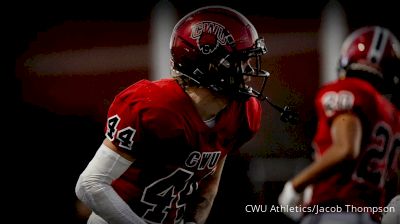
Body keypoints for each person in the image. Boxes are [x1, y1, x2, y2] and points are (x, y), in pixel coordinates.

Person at [75, 5, 271, 224]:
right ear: (208, 65)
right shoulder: (157, 106)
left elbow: (207, 189)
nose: (249, 72)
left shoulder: (242, 112)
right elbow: (90, 185)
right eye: (240, 61)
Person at [278, 26, 400, 224]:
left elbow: (346, 149)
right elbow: (392, 180)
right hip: (370, 216)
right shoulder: (393, 115)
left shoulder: (346, 90)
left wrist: (295, 185)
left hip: (335, 210)